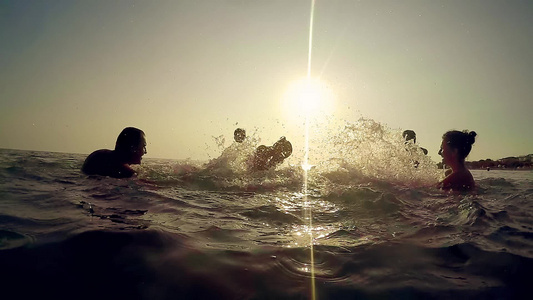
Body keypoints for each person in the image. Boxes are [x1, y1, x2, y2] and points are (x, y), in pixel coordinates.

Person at [82, 127, 147, 178]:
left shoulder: (97, 155)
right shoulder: (125, 171)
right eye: (144, 146)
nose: (146, 152)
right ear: (133, 148)